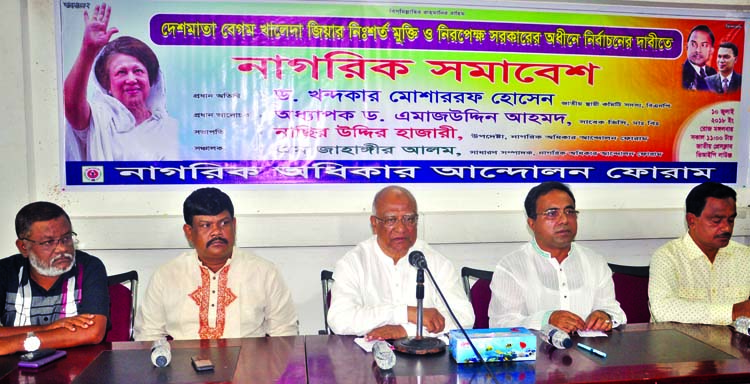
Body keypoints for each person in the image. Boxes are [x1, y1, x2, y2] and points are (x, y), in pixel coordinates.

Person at [134, 187, 298, 340]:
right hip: (182, 368)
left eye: (224, 223)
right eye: (206, 225)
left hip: (248, 367)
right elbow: (148, 335)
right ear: (189, 232)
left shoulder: (265, 273)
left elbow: (284, 335)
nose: (217, 232)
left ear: (234, 225)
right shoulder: (166, 276)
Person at [327, 186, 474, 339]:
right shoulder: (353, 263)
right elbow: (339, 320)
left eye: (409, 219)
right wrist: (406, 313)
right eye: (391, 220)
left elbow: (464, 318)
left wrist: (404, 330)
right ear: (374, 223)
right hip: (368, 358)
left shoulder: (436, 263)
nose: (401, 228)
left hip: (426, 359)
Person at [488, 182, 626, 332]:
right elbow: (501, 323)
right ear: (532, 223)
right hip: (536, 353)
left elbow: (616, 313)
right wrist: (546, 319)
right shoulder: (511, 266)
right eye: (552, 213)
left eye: (569, 212)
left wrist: (604, 316)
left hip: (589, 352)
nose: (564, 220)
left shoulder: (595, 262)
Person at [63, 3, 178, 161]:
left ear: (151, 79)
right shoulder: (98, 120)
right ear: (107, 84)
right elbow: (71, 104)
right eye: (121, 72)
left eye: (138, 71)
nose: (131, 79)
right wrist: (88, 51)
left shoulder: (169, 127)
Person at [0, 202, 109, 355]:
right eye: (48, 242)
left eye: (66, 238)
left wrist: (15, 343)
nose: (62, 248)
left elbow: (93, 332)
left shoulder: (90, 267)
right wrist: (46, 329)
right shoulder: (5, 272)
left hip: (79, 370)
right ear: (23, 247)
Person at [649, 182, 750, 325]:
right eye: (716, 220)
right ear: (691, 220)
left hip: (733, 344)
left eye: (731, 220)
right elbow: (662, 310)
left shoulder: (745, 256)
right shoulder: (667, 257)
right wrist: (733, 311)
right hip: (680, 345)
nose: (726, 227)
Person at [681, 25, 718, 91]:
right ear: (687, 46)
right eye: (693, 44)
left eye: (703, 45)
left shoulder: (713, 74)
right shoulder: (680, 73)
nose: (698, 50)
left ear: (711, 50)